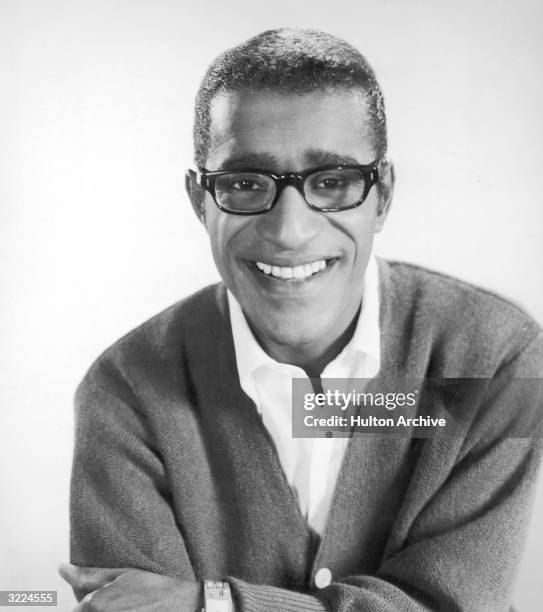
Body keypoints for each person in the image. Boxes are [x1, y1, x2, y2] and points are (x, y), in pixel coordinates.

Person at [59, 28, 543, 611]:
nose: (289, 231)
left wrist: (211, 603)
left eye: (333, 182)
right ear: (198, 201)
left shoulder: (496, 359)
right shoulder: (124, 393)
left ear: (383, 195)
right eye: (244, 183)